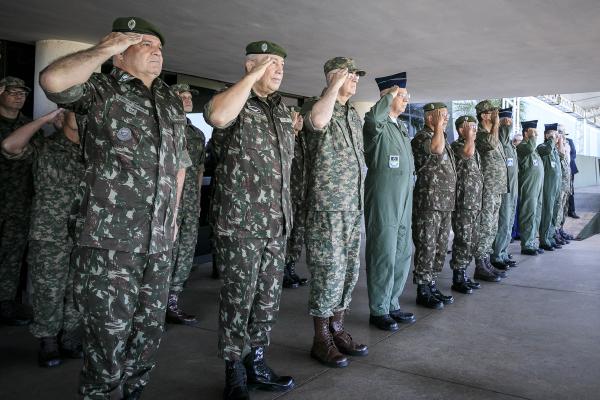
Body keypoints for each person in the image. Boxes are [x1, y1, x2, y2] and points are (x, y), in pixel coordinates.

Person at [39, 17, 190, 399]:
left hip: (157, 241)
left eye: (159, 46)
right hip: (110, 242)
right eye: (145, 44)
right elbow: (52, 82)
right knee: (107, 336)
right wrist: (103, 49)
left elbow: (179, 163)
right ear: (121, 52)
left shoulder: (169, 100)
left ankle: (134, 392)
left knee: (148, 333)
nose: (157, 51)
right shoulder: (101, 89)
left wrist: (172, 217)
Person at [204, 41, 295, 399]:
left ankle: (256, 362)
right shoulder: (234, 101)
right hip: (241, 224)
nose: (279, 69)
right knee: (238, 300)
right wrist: (254, 76)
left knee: (267, 300)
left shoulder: (281, 111)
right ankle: (233, 372)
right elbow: (217, 116)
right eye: (271, 63)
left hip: (276, 223)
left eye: (281, 65)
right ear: (250, 65)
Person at [2, 109, 84, 367]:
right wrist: (45, 120)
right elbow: (9, 145)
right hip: (49, 232)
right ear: (62, 118)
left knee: (77, 287)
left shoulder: (94, 151)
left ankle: (69, 335)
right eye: (75, 113)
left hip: (84, 232)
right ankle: (48, 339)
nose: (82, 118)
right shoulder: (44, 148)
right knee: (49, 287)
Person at [301, 57, 368, 368]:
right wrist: (334, 86)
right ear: (333, 76)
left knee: (347, 272)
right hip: (327, 206)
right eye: (349, 74)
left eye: (356, 75)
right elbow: (316, 122)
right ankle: (320, 339)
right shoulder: (319, 106)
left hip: (352, 206)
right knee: (328, 272)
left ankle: (337, 329)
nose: (354, 79)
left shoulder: (352, 116)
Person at [363, 72, 415, 331]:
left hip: (404, 200)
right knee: (383, 252)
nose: (406, 100)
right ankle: (379, 309)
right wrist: (390, 96)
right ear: (388, 96)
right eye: (401, 95)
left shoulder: (399, 127)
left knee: (403, 252)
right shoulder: (377, 124)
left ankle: (392, 303)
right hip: (384, 199)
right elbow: (373, 118)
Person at [166, 83, 206, 325]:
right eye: (182, 96)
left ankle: (173, 301)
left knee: (185, 253)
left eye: (190, 96)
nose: (187, 99)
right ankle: (153, 305)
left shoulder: (196, 133)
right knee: (165, 254)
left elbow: (199, 169)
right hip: (167, 203)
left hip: (190, 203)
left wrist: (198, 200)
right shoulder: (164, 128)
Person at [411, 102, 456, 309]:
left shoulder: (441, 137)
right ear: (430, 117)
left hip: (445, 203)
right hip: (428, 203)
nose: (446, 119)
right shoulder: (423, 136)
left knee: (439, 246)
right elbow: (435, 150)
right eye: (442, 116)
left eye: (446, 116)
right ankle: (422, 289)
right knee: (427, 246)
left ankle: (432, 283)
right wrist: (438, 127)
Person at [0, 76, 37, 326]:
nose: (18, 96)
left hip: (18, 203)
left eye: (22, 93)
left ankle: (5, 304)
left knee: (11, 256)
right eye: (12, 92)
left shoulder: (27, 126)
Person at [450, 115, 492, 289]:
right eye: (471, 127)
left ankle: (464, 273)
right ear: (461, 130)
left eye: (475, 127)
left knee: (472, 239)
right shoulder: (458, 146)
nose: (475, 130)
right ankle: (458, 276)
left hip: (475, 202)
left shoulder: (473, 146)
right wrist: (469, 137)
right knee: (463, 239)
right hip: (463, 202)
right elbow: (466, 153)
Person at [473, 100, 507, 280]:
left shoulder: (493, 133)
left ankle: (486, 261)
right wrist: (495, 125)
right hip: (486, 188)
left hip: (496, 187)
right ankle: (480, 265)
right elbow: (491, 144)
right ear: (484, 115)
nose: (497, 116)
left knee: (492, 227)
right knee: (485, 226)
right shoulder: (479, 134)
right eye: (493, 113)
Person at [283, 107, 309, 289]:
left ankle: (291, 269)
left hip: (301, 195)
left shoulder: (303, 140)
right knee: (286, 235)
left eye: (301, 117)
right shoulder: (285, 138)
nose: (299, 120)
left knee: (297, 236)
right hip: (288, 195)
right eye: (296, 117)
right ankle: (281, 272)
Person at [491, 107, 518, 269]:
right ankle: (497, 254)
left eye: (510, 121)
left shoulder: (510, 145)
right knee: (503, 222)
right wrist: (500, 125)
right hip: (504, 190)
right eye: (505, 121)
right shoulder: (500, 141)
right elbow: (501, 134)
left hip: (513, 190)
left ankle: (503, 251)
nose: (508, 124)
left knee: (508, 223)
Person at [516, 120, 545, 255]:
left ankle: (532, 242)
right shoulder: (522, 147)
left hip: (537, 186)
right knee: (528, 214)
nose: (536, 134)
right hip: (528, 186)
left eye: (536, 132)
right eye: (532, 131)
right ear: (525, 133)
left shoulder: (533, 149)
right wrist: (532, 137)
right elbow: (529, 148)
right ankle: (526, 244)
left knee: (536, 214)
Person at [537, 123, 562, 251]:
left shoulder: (554, 150)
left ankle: (551, 237)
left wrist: (559, 141)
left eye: (556, 134)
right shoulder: (542, 147)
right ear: (546, 135)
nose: (555, 137)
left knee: (554, 211)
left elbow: (561, 158)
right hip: (548, 185)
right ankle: (544, 239)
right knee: (547, 211)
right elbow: (546, 150)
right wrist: (552, 140)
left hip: (556, 186)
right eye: (552, 134)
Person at [565, 128, 580, 219]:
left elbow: (574, 154)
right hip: (560, 170)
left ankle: (572, 211)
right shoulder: (555, 141)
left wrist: (567, 161)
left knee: (570, 190)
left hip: (570, 168)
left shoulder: (570, 141)